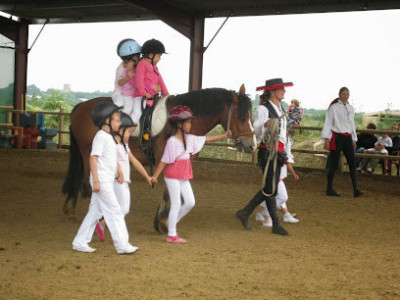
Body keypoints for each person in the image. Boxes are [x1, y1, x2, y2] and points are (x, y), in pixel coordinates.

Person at [151, 105, 231, 244]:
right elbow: (164, 161)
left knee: (190, 202)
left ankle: (171, 222)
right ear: (179, 124)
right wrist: (155, 176)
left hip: (183, 175)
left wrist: (223, 135)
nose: (190, 125)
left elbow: (206, 139)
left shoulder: (189, 138)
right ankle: (171, 234)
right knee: (176, 203)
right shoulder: (172, 141)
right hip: (172, 176)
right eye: (187, 122)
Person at [72, 102, 137, 254]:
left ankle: (80, 242)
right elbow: (93, 158)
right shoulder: (101, 137)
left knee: (94, 212)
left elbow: (107, 160)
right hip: (101, 180)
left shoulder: (109, 138)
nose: (119, 122)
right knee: (114, 210)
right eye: (117, 119)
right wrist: (95, 181)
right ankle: (122, 245)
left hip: (106, 179)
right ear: (106, 120)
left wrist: (116, 173)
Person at [236, 78, 293, 236]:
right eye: (281, 89)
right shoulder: (263, 109)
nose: (284, 91)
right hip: (268, 150)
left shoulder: (280, 107)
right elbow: (256, 131)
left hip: (278, 151)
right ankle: (276, 224)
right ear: (272, 92)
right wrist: (265, 125)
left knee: (270, 189)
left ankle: (245, 212)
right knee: (271, 189)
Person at [95, 112, 154, 244]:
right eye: (128, 132)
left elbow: (135, 161)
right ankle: (111, 231)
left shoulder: (125, 146)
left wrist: (147, 176)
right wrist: (120, 172)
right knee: (123, 208)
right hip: (118, 181)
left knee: (119, 208)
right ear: (119, 132)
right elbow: (112, 160)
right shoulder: (113, 145)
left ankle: (104, 225)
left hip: (123, 181)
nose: (130, 135)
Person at [321, 87, 363, 197]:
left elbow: (352, 124)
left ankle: (356, 189)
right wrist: (326, 139)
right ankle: (329, 189)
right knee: (333, 163)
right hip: (337, 137)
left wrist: (354, 139)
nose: (345, 96)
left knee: (352, 162)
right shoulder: (333, 108)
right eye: (343, 94)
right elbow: (328, 123)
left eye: (347, 94)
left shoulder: (350, 108)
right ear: (339, 94)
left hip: (348, 137)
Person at [256, 138, 300, 226]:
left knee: (275, 194)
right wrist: (293, 172)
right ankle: (267, 214)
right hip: (276, 174)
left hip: (276, 172)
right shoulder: (281, 143)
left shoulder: (280, 141)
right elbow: (286, 161)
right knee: (282, 196)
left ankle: (283, 214)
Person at [133, 38, 169, 124]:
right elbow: (138, 81)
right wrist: (145, 92)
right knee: (137, 112)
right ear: (151, 55)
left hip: (153, 97)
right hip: (140, 96)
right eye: (158, 56)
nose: (160, 59)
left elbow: (161, 81)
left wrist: (166, 93)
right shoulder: (142, 64)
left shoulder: (155, 67)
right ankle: (130, 129)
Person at [111, 39, 142, 107]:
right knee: (120, 103)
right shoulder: (121, 68)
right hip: (119, 92)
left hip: (130, 94)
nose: (139, 57)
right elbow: (119, 83)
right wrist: (126, 78)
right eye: (138, 56)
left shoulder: (136, 67)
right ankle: (113, 115)